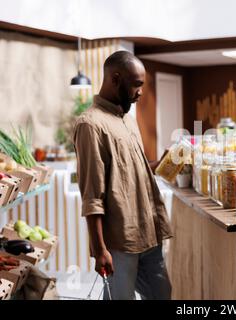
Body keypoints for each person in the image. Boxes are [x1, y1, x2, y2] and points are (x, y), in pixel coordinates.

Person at [73, 51, 173, 300]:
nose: (140, 92)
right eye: (136, 85)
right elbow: (92, 195)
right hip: (120, 240)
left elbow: (130, 170)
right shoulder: (90, 125)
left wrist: (160, 163)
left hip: (149, 231)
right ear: (116, 79)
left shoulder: (128, 120)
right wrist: (99, 250)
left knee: (163, 294)